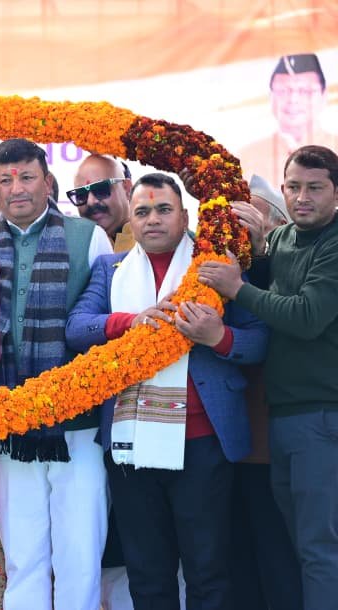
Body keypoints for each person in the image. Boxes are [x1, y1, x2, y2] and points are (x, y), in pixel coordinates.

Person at [67, 172, 268, 608]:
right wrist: (131, 321)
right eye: (142, 211)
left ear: (184, 217)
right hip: (130, 447)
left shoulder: (215, 267)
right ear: (131, 220)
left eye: (163, 210)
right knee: (147, 574)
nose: (153, 219)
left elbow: (260, 342)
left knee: (208, 572)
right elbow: (77, 328)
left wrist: (218, 337)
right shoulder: (110, 268)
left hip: (203, 444)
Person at [0, 138, 113, 610]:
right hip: (10, 423)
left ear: (47, 182)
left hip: (79, 424)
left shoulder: (87, 236)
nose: (17, 189)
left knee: (80, 552)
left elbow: (105, 320)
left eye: (27, 177)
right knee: (23, 557)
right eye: (5, 181)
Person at [198, 144, 338, 609]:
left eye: (315, 188)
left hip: (322, 415)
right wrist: (257, 251)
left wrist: (237, 287)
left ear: (336, 193)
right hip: (284, 416)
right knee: (301, 544)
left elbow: (306, 316)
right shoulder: (283, 240)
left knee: (319, 549)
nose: (302, 197)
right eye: (293, 187)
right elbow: (269, 279)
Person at [228, 174, 303, 610]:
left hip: (274, 437)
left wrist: (260, 252)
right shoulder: (215, 269)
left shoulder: (294, 262)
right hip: (223, 439)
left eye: (252, 220)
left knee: (279, 555)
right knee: (234, 558)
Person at [239, 53, 337, 186]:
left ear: (324, 96)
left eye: (305, 91)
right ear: (270, 96)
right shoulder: (246, 158)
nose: (293, 100)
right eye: (283, 91)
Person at [68, 154, 135, 252]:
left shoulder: (152, 242)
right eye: (81, 195)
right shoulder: (71, 249)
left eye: (101, 190)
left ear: (127, 189)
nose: (90, 202)